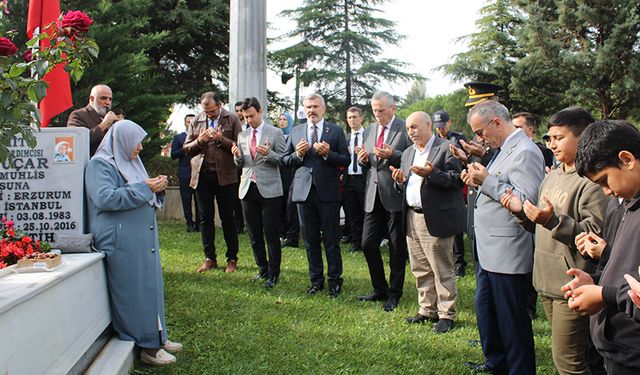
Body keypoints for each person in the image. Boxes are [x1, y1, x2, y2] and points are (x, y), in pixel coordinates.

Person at [501, 107, 607, 375]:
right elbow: (539, 226)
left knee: (568, 363)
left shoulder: (592, 182)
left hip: (572, 285)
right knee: (571, 357)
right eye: (549, 138)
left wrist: (550, 220)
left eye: (559, 138)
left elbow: (594, 234)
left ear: (581, 139)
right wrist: (521, 213)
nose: (551, 144)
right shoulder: (552, 175)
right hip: (546, 280)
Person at [85, 120, 182, 366]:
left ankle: (158, 335)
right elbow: (105, 198)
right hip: (120, 238)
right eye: (135, 141)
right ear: (122, 140)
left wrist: (155, 188)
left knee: (150, 286)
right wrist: (145, 187)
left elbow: (143, 193)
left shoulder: (129, 162)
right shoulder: (99, 165)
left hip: (138, 237)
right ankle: (146, 345)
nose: (139, 147)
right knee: (133, 290)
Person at [461, 100, 544, 375]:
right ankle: (496, 363)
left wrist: (487, 181)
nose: (479, 139)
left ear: (496, 122)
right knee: (488, 314)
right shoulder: (501, 150)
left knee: (513, 324)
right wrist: (477, 179)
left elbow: (525, 201)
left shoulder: (525, 151)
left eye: (481, 132)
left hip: (508, 251)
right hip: (489, 249)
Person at [562, 120, 640, 375]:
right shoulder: (621, 204)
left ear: (627, 159)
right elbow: (620, 262)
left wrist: (603, 294)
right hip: (616, 346)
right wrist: (594, 280)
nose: (606, 192)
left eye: (605, 180)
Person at [389, 111, 465, 333]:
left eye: (414, 127)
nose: (410, 132)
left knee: (441, 267)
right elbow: (406, 184)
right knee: (420, 267)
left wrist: (432, 173)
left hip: (436, 217)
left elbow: (456, 180)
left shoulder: (445, 147)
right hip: (412, 215)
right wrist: (399, 181)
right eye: (408, 129)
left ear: (428, 125)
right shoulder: (407, 153)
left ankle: (446, 314)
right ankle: (427, 309)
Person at [281, 93, 350, 297]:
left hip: (327, 193)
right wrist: (298, 154)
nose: (312, 110)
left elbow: (345, 159)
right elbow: (285, 160)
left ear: (323, 109)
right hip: (303, 193)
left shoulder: (335, 131)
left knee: (331, 239)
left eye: (315, 106)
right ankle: (316, 280)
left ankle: (335, 281)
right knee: (310, 240)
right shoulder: (296, 131)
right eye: (308, 107)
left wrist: (329, 154)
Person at [356, 91, 412, 312]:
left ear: (393, 108)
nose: (377, 114)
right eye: (374, 110)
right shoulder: (369, 130)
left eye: (381, 110)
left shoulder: (404, 128)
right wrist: (363, 160)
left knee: (397, 248)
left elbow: (411, 157)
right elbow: (370, 164)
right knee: (367, 244)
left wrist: (394, 154)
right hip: (373, 195)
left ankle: (394, 293)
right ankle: (379, 288)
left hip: (395, 195)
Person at [183, 92, 242, 273]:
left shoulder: (231, 119)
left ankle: (232, 258)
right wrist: (200, 140)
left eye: (212, 111)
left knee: (227, 217)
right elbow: (186, 149)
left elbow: (240, 146)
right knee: (205, 218)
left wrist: (220, 140)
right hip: (202, 176)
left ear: (220, 104)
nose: (209, 114)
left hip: (225, 176)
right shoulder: (196, 121)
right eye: (206, 111)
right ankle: (210, 258)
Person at [231, 97, 285, 288]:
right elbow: (242, 164)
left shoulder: (275, 132)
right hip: (247, 189)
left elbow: (283, 159)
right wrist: (237, 156)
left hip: (270, 189)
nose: (249, 121)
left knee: (271, 233)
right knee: (254, 233)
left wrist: (268, 154)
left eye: (251, 116)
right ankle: (262, 269)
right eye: (245, 118)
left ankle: (274, 273)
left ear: (261, 112)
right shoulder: (243, 135)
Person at [433, 109, 468, 277]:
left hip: (455, 185)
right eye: (437, 126)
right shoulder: (433, 141)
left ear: (449, 123)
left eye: (443, 126)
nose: (440, 129)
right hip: (438, 185)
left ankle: (459, 261)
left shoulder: (457, 139)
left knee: (456, 226)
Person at [67, 84, 122, 156]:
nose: (108, 102)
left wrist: (121, 128)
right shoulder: (78, 115)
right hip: (89, 163)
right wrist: (104, 124)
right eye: (103, 98)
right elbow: (77, 141)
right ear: (92, 99)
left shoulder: (111, 118)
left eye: (110, 99)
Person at [171, 114, 200, 233]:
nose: (190, 124)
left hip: (198, 173)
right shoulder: (179, 138)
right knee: (186, 200)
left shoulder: (200, 137)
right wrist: (185, 148)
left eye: (193, 121)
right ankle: (190, 223)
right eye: (188, 122)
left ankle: (200, 224)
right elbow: (173, 155)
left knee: (199, 200)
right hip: (185, 173)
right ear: (185, 123)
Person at [343, 106, 366, 253]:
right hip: (349, 178)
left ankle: (367, 241)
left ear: (361, 118)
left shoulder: (369, 135)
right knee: (352, 212)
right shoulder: (345, 138)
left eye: (355, 117)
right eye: (350, 117)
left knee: (366, 211)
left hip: (364, 178)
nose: (352, 120)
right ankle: (356, 242)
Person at [277, 112, 300, 248]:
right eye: (280, 119)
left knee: (290, 207)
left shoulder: (294, 135)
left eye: (285, 119)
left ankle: (292, 234)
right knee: (279, 206)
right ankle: (282, 233)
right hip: (278, 175)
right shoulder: (276, 135)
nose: (282, 122)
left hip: (291, 175)